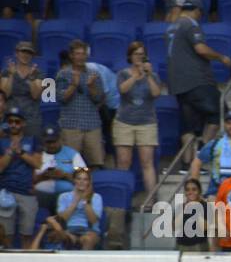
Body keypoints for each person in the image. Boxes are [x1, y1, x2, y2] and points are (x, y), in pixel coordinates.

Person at [169, 0, 231, 160]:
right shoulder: (190, 25)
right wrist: (221, 57)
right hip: (197, 80)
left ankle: (186, 164)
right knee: (221, 112)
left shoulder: (171, 27)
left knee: (188, 125)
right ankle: (202, 154)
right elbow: (200, 48)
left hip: (178, 83)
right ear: (197, 10)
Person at [114, 42, 163, 199]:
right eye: (136, 54)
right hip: (124, 122)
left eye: (142, 54)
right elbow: (122, 90)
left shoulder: (153, 75)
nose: (139, 57)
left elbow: (156, 93)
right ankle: (122, 198)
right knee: (123, 162)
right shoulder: (123, 73)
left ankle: (150, 200)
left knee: (147, 163)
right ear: (130, 56)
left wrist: (147, 75)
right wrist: (135, 76)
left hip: (147, 122)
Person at [55, 40, 105, 169]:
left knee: (96, 164)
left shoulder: (94, 74)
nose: (81, 57)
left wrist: (91, 86)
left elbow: (99, 98)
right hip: (71, 126)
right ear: (71, 56)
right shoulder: (63, 74)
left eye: (83, 54)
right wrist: (73, 85)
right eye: (77, 54)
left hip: (92, 124)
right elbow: (61, 98)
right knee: (70, 165)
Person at [0, 108, 41, 248]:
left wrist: (21, 152)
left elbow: (38, 163)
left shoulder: (32, 140)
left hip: (26, 192)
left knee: (26, 235)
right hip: (6, 193)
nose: (13, 125)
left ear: (23, 123)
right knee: (6, 236)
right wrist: (10, 152)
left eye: (17, 122)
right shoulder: (1, 142)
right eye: (10, 121)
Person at [34, 166, 102, 249]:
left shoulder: (96, 197)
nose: (82, 182)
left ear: (89, 182)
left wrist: (86, 200)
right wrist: (75, 201)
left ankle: (84, 261)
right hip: (70, 230)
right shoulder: (64, 196)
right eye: (79, 179)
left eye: (85, 179)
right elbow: (63, 219)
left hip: (89, 230)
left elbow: (93, 220)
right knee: (60, 237)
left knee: (87, 239)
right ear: (74, 180)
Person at [33, 126, 86, 212]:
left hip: (67, 194)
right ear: (43, 142)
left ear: (60, 139)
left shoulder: (72, 154)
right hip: (42, 196)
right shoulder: (39, 155)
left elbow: (84, 179)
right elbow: (31, 181)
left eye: (54, 141)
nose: (52, 145)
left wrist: (64, 175)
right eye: (48, 142)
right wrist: (44, 175)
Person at [0, 42, 43, 133]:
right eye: (23, 51)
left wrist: (31, 78)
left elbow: (35, 95)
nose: (26, 55)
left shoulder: (38, 73)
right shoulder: (6, 72)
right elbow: (5, 95)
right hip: (11, 118)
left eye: (29, 53)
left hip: (31, 118)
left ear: (32, 56)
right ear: (16, 53)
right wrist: (11, 75)